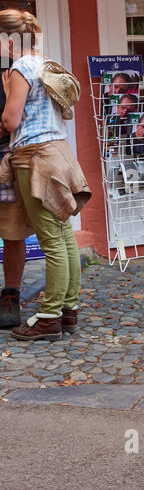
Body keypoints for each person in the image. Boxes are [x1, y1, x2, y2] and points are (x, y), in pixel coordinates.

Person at [0, 9, 90, 340]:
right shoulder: (44, 62)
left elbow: (11, 121)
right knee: (63, 236)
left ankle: (49, 316)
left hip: (35, 157)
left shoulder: (21, 67)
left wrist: (9, 90)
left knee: (52, 241)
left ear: (10, 39)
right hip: (57, 152)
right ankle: (68, 310)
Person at [0, 70, 32, 328]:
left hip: (7, 157)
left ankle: (10, 296)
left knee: (12, 231)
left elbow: (16, 118)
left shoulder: (12, 68)